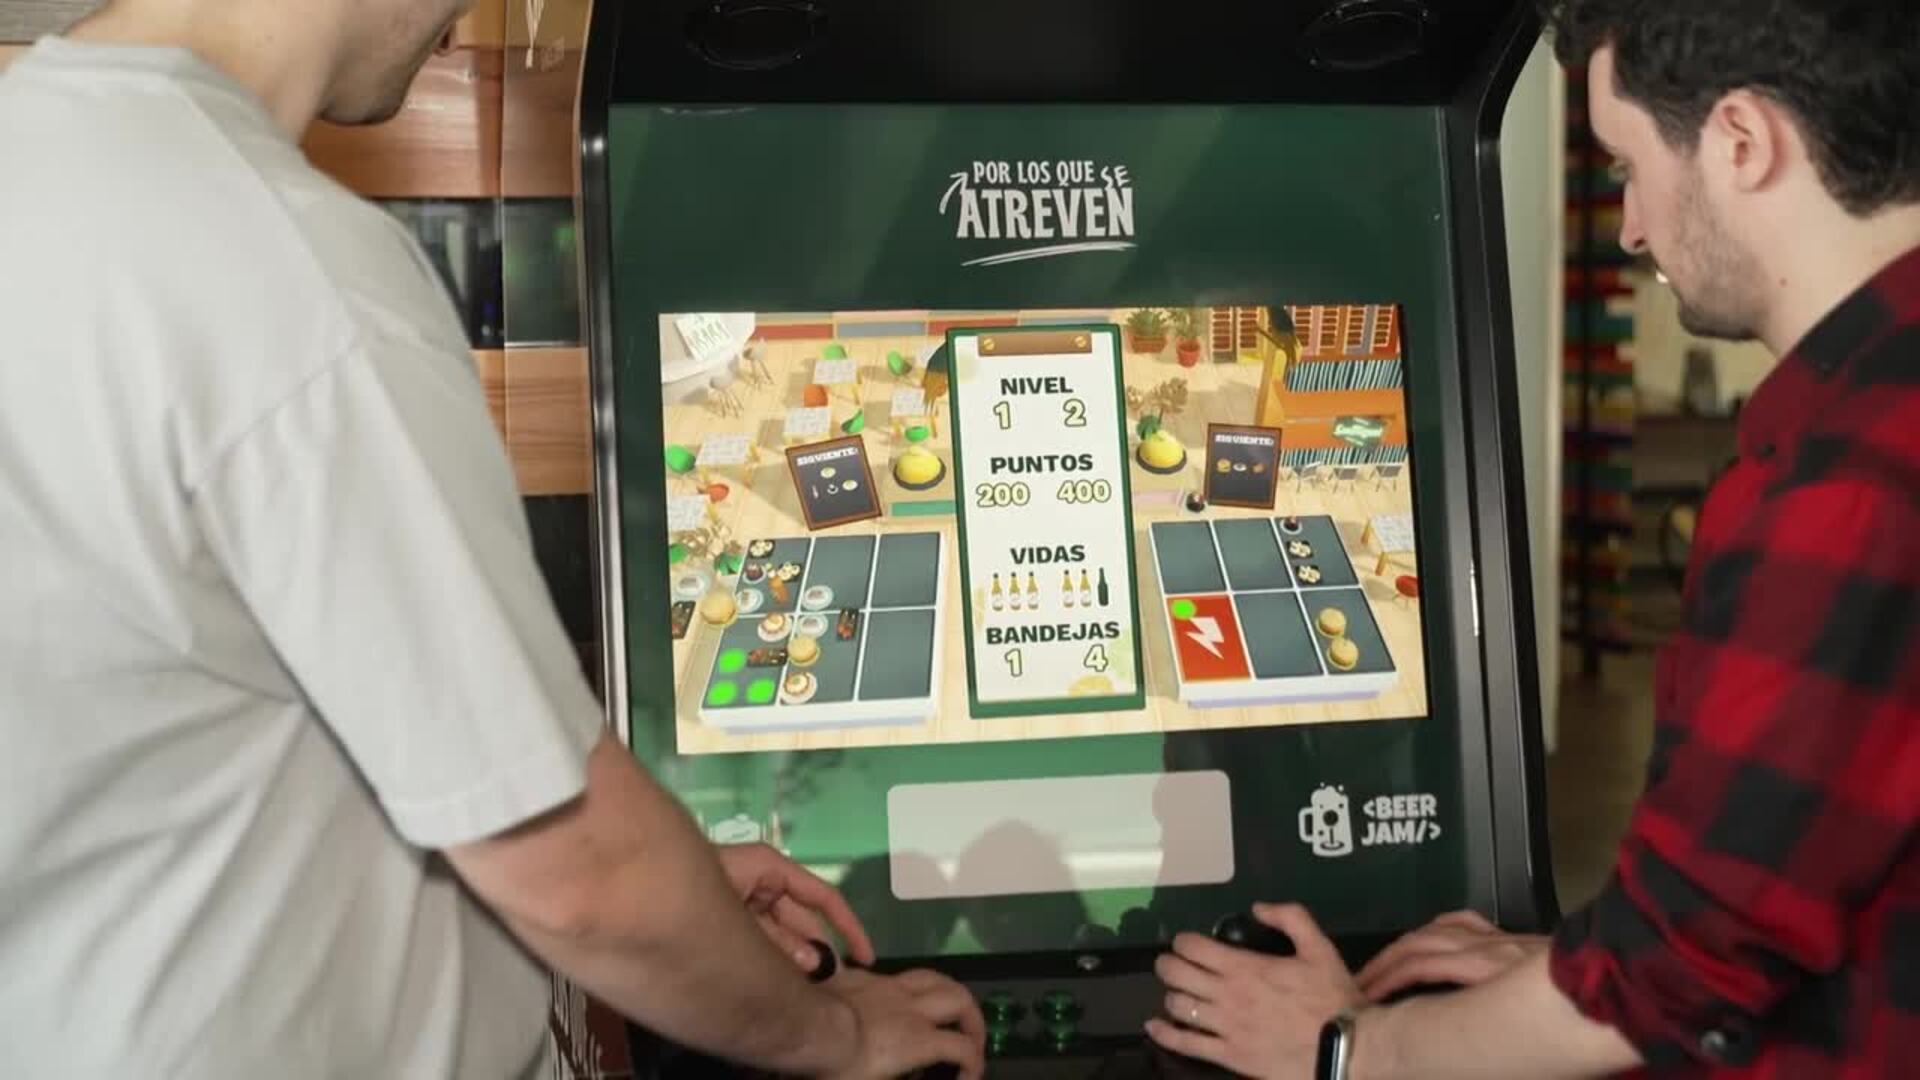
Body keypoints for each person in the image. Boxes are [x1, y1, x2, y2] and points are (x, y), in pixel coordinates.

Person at [0, 1, 984, 1077]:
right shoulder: (282, 262)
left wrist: (682, 901)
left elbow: (196, 740)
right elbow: (571, 869)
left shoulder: (37, 161)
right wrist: (836, 1034)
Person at [1145, 0, 1920, 1076]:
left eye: (1629, 166)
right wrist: (1572, 967)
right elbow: (1786, 886)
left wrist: (1348, 1049)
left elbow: (1682, 976)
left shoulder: (1847, 480)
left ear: (1744, 143)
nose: (1632, 226)